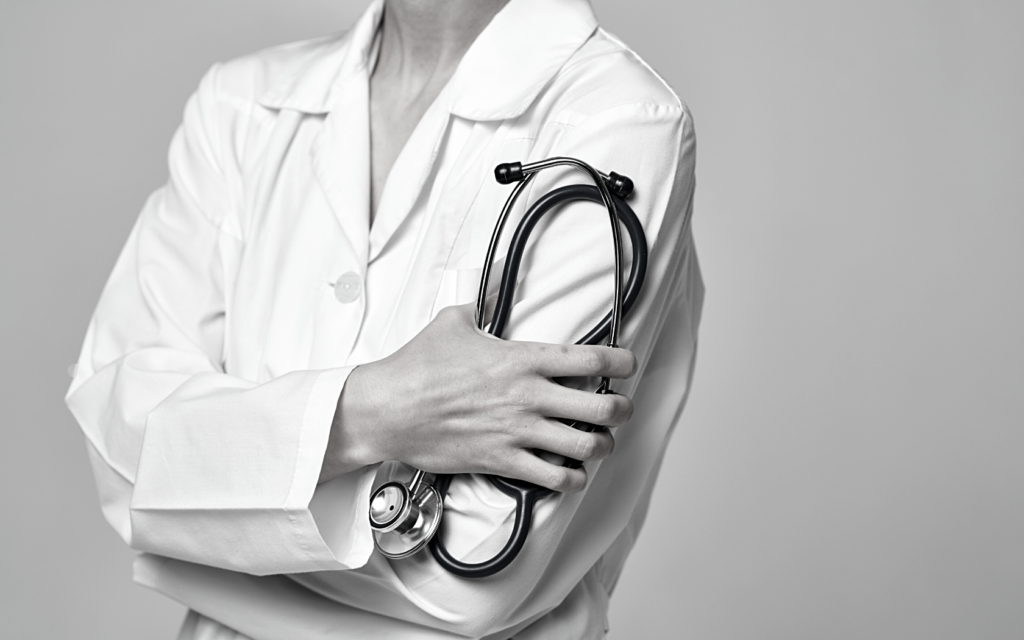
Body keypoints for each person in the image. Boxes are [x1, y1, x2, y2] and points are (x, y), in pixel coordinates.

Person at [65, 0, 703, 637]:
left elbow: (472, 579)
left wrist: (213, 507)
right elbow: (121, 462)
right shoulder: (241, 106)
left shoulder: (620, 121)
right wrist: (370, 413)